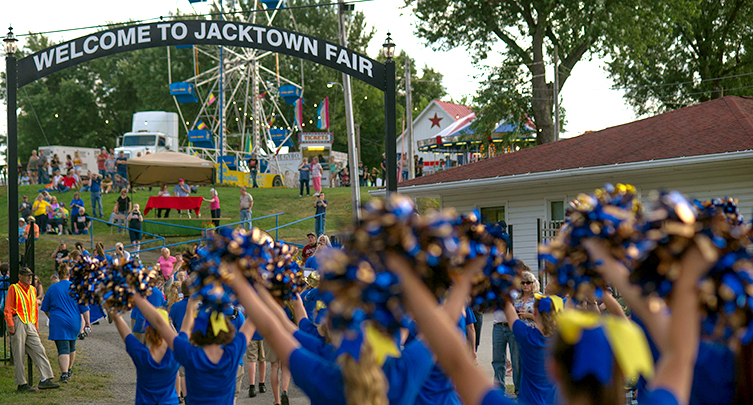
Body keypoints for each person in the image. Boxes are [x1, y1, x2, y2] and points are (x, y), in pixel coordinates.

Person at [229, 267, 435, 405]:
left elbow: (275, 327)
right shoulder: (402, 372)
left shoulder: (326, 371)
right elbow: (436, 329)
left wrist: (247, 282)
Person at [133, 291, 255, 405]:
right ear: (225, 331)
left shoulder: (190, 354)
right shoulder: (232, 353)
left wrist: (136, 295)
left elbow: (160, 323)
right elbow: (252, 320)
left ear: (197, 332)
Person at [4, 267, 61, 392]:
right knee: (18, 353)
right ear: (20, 276)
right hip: (18, 320)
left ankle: (45, 379)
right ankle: (21, 383)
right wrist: (10, 324)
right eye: (27, 275)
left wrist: (35, 326)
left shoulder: (32, 290)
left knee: (39, 349)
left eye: (30, 275)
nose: (30, 278)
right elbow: (8, 307)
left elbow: (34, 309)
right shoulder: (14, 288)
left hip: (29, 322)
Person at [111, 308, 181, 405]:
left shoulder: (141, 353)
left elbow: (123, 329)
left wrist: (112, 310)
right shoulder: (176, 351)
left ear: (147, 329)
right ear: (168, 328)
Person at [502, 294, 558, 405]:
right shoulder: (561, 341)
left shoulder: (527, 336)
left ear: (535, 313)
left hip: (528, 401)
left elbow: (509, 310)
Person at [41, 264, 91, 383]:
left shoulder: (52, 288)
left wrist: (51, 317)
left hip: (58, 321)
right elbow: (85, 308)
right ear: (69, 275)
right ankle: (69, 369)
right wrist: (88, 323)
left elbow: (45, 308)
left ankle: (64, 374)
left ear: (58, 275)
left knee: (63, 348)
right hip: (74, 321)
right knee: (72, 346)